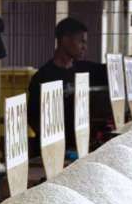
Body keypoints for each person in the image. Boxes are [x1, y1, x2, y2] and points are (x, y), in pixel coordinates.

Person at [27, 17, 107, 153]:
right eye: (81, 41)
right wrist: (56, 146)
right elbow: (33, 118)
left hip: (84, 146)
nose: (84, 47)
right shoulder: (43, 77)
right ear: (64, 40)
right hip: (56, 150)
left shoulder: (87, 70)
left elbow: (116, 69)